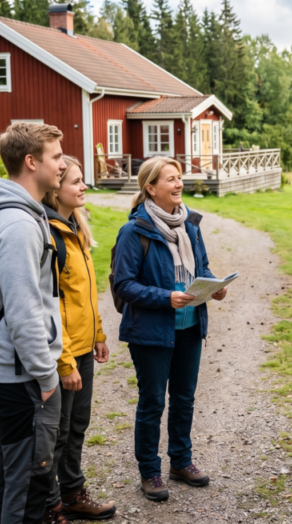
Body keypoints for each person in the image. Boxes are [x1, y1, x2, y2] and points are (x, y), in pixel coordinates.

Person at [112, 157, 228, 502]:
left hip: (190, 326)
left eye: (179, 178)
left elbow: (201, 267)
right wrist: (166, 297)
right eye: (171, 179)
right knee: (152, 402)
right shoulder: (134, 231)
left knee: (184, 399)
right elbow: (123, 285)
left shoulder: (190, 224)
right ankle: (150, 471)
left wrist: (214, 286)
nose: (179, 184)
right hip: (151, 331)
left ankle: (181, 461)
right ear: (150, 188)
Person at [0, 122, 68, 523]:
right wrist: (46, 376)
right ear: (31, 162)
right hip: (21, 377)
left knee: (2, 474)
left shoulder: (5, 212)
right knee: (28, 486)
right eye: (56, 157)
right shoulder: (19, 225)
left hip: (2, 371)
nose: (62, 165)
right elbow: (23, 311)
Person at [41, 156, 116, 521]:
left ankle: (72, 493)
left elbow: (85, 294)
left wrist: (99, 334)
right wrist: (65, 361)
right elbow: (52, 304)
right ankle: (49, 504)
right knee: (57, 433)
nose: (84, 186)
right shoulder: (50, 235)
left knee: (77, 427)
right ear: (56, 190)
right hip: (63, 354)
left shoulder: (76, 229)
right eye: (76, 181)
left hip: (84, 348)